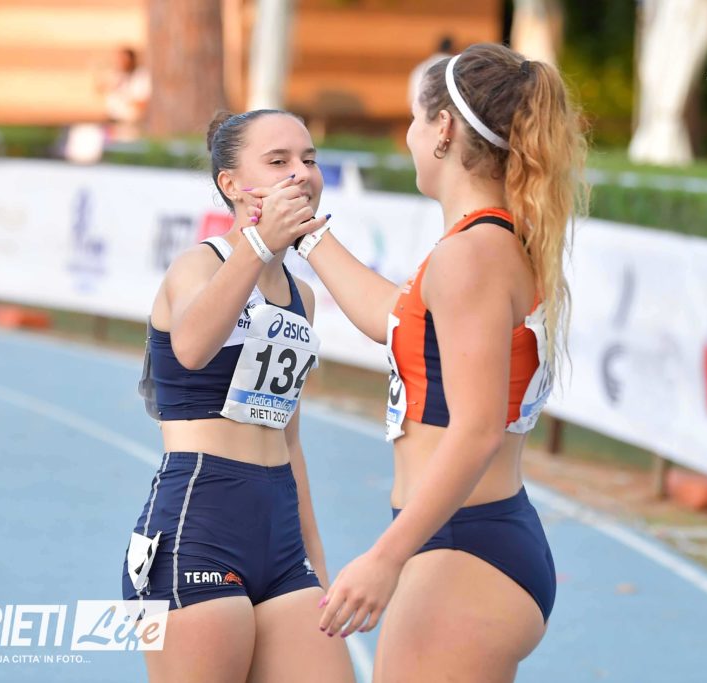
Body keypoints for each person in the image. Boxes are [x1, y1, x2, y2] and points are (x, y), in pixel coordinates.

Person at [247, 42, 588, 681]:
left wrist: (385, 558)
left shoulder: (471, 255)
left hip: (464, 547)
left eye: (412, 118)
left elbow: (479, 428)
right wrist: (306, 232)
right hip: (471, 538)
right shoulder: (484, 241)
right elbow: (394, 319)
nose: (407, 136)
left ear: (444, 129)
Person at [121, 109, 354, 683]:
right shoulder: (196, 267)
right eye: (278, 161)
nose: (300, 173)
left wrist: (317, 562)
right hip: (197, 528)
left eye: (308, 160)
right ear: (231, 184)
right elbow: (192, 348)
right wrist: (258, 244)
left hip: (280, 538)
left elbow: (289, 439)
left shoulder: (301, 296)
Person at [96, 47, 151, 142]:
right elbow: (100, 89)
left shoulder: (140, 76)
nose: (121, 62)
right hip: (112, 120)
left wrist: (123, 95)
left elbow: (142, 103)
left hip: (129, 123)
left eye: (124, 59)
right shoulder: (118, 74)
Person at [407, 35, 454, 107]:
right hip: (442, 109)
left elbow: (411, 97)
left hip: (419, 108)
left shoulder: (420, 67)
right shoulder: (452, 65)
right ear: (452, 49)